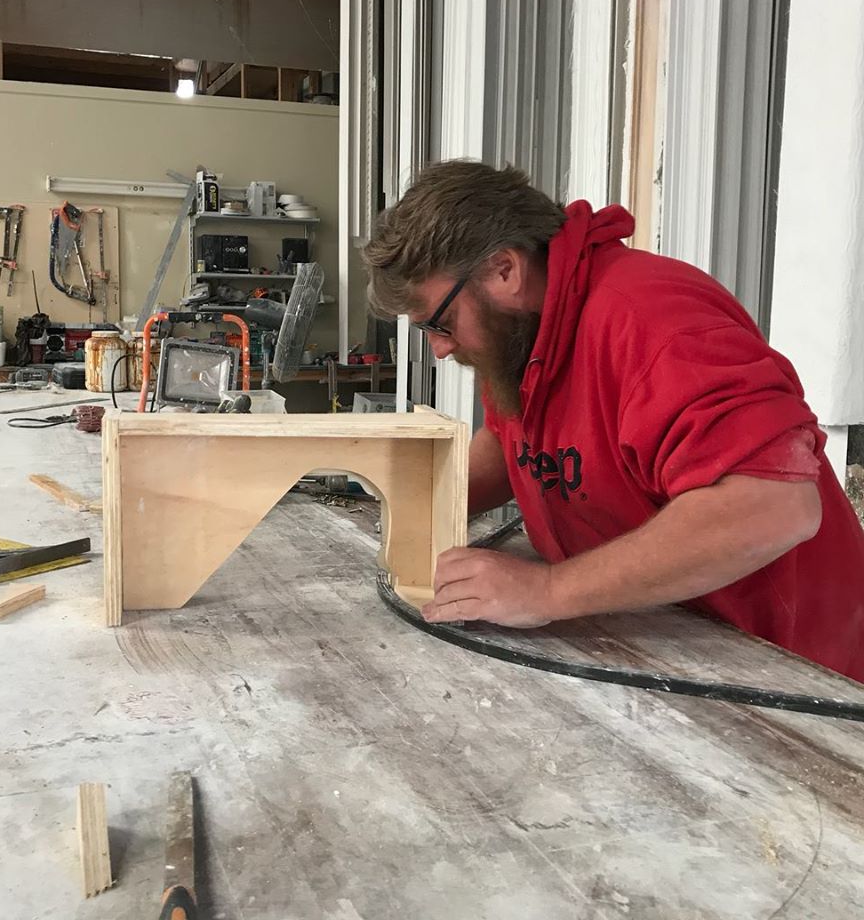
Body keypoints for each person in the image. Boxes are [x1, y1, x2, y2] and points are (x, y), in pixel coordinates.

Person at [363, 160, 864, 682]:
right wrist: (417, 499)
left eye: (439, 323)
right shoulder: (523, 334)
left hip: (791, 673)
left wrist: (546, 591)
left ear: (504, 270)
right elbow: (516, 444)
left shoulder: (654, 319)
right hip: (663, 640)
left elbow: (773, 507)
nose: (441, 349)